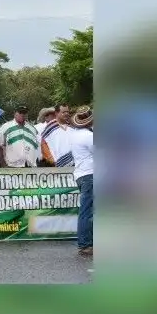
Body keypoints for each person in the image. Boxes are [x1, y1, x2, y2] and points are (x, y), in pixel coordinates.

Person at [69, 106, 93, 257]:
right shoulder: (88, 136)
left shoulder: (75, 135)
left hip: (81, 174)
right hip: (90, 174)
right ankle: (85, 244)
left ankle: (87, 243)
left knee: (87, 211)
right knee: (86, 212)